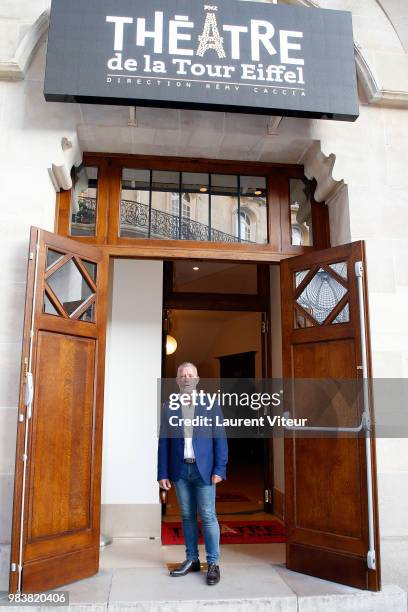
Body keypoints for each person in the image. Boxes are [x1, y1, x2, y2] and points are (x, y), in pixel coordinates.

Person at [157, 362, 228, 585]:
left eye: (191, 375)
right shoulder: (169, 406)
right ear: (177, 380)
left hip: (204, 470)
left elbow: (220, 438)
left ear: (196, 379)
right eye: (182, 375)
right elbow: (164, 442)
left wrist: (220, 468)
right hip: (180, 471)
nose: (186, 378)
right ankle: (192, 559)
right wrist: (162, 473)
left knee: (207, 515)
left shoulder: (210, 404)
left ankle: (213, 563)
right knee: (187, 516)